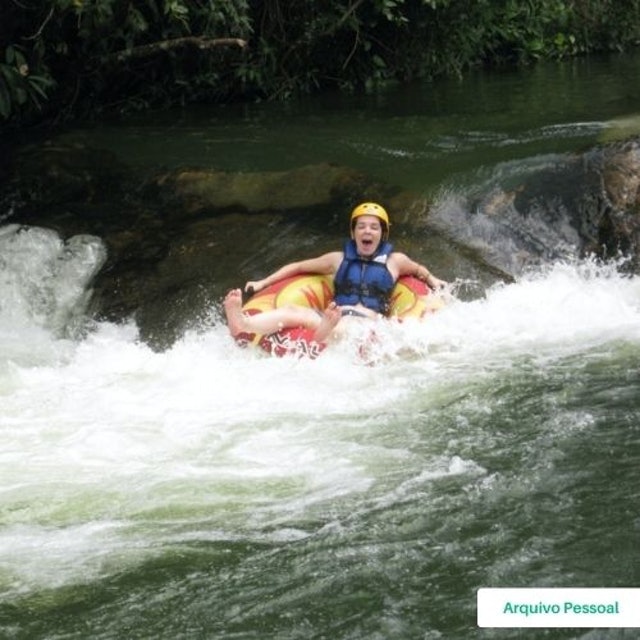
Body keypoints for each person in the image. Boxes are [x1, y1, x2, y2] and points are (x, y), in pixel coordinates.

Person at [224, 202, 447, 343]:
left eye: (374, 227)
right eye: (361, 226)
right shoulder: (337, 259)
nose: (367, 231)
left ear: (383, 234)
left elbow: (419, 269)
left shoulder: (395, 261)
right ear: (353, 232)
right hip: (336, 316)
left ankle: (322, 335)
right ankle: (243, 324)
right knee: (293, 310)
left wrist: (433, 279)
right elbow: (299, 266)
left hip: (366, 323)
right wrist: (264, 282)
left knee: (347, 328)